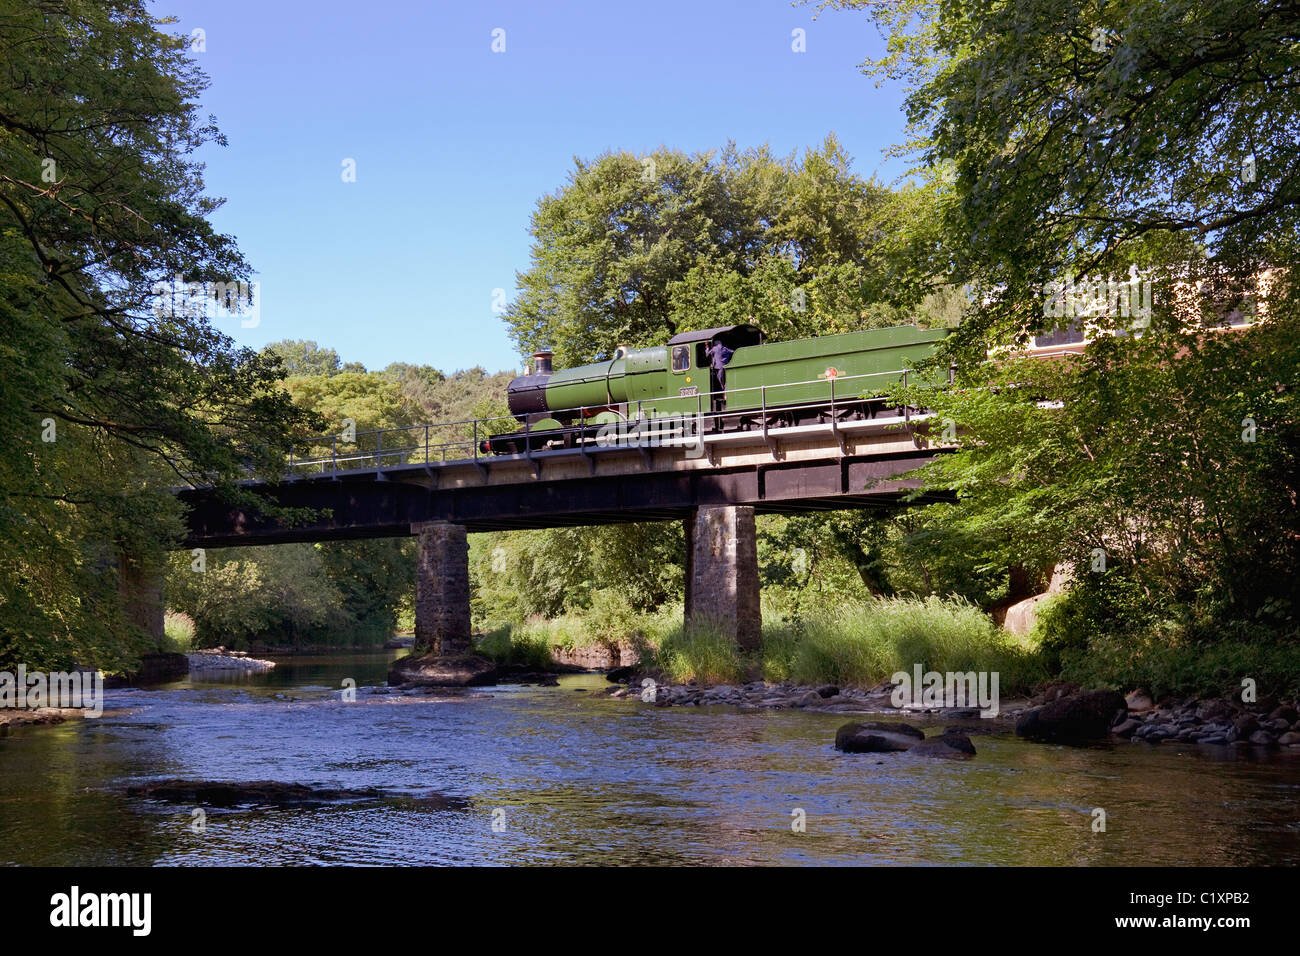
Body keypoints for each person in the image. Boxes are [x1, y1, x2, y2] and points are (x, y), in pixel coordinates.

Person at [704, 338, 734, 412]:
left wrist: (707, 348)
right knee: (726, 381)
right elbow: (732, 351)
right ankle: (726, 394)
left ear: (716, 343)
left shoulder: (714, 348)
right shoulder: (725, 348)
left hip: (718, 367)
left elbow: (707, 354)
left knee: (721, 381)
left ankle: (724, 394)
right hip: (726, 367)